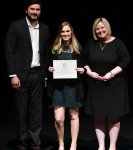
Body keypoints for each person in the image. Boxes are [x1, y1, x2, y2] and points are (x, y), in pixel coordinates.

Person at [5, 0, 49, 149]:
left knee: (36, 110)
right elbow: (9, 51)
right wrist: (13, 75)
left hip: (37, 74)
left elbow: (45, 54)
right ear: (26, 10)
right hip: (20, 76)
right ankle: (23, 141)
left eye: (37, 9)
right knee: (21, 111)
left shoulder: (45, 29)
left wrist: (44, 76)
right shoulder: (16, 26)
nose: (35, 12)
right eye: (32, 9)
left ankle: (36, 141)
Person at [82, 17, 131, 150]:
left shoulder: (118, 43)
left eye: (102, 27)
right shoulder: (91, 44)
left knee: (113, 116)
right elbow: (83, 60)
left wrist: (111, 74)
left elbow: (126, 61)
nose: (100, 30)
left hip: (115, 85)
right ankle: (101, 146)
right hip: (96, 86)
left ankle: (112, 146)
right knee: (98, 116)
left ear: (107, 27)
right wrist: (89, 72)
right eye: (97, 29)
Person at [47, 21, 84, 150]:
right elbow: (48, 67)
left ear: (71, 32)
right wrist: (49, 70)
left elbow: (83, 67)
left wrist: (82, 70)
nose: (65, 34)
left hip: (73, 87)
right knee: (59, 119)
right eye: (63, 31)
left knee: (74, 116)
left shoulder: (78, 49)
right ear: (60, 33)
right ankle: (61, 144)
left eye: (68, 31)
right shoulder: (54, 49)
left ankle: (73, 144)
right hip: (58, 88)